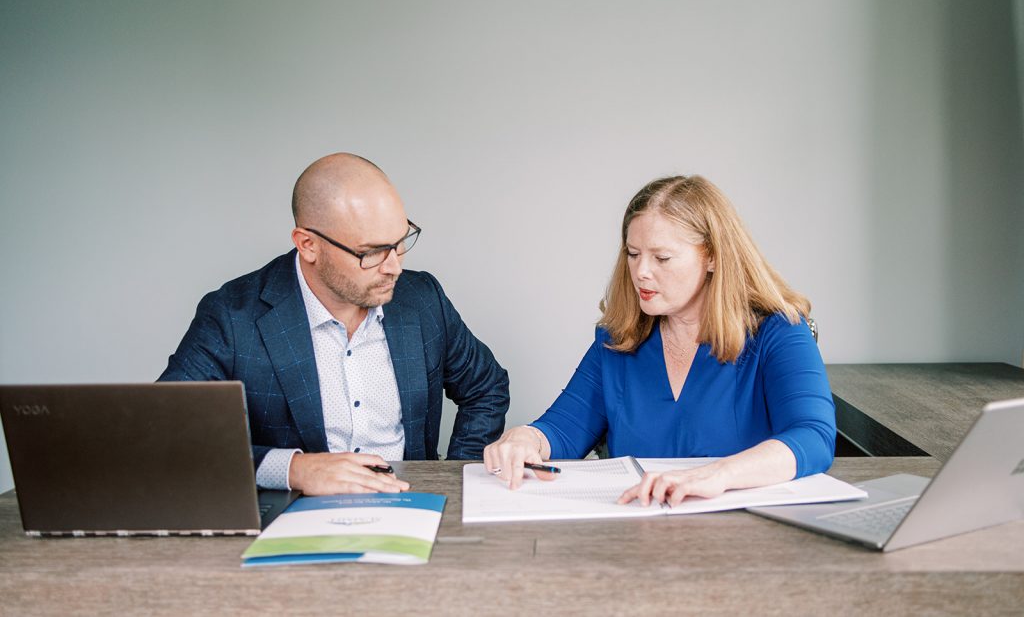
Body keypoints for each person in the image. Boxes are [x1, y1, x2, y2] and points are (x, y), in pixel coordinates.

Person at [160, 153, 509, 495]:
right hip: (294, 515)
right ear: (308, 245)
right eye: (371, 252)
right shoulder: (232, 317)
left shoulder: (422, 298)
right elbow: (170, 434)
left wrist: (454, 479)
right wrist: (293, 469)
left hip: (411, 504)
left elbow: (486, 387)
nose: (394, 267)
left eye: (400, 242)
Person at [484, 175, 835, 507]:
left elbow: (814, 437)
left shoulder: (779, 331)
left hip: (745, 539)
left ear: (712, 256)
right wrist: (527, 438)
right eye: (633, 254)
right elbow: (562, 431)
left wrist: (719, 474)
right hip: (641, 535)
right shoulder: (618, 341)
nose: (641, 272)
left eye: (661, 257)